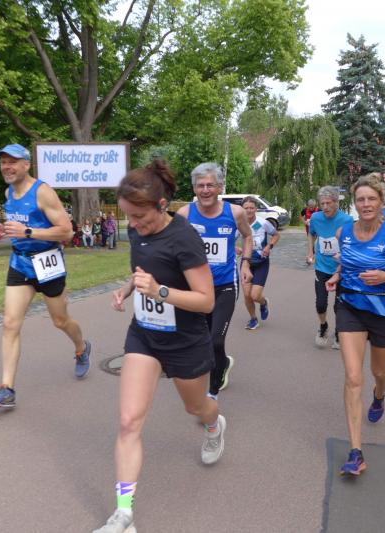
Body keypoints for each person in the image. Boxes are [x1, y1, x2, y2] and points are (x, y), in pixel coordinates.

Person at [95, 160, 224, 533]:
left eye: (139, 217)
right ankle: (124, 515)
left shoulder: (185, 238)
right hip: (145, 334)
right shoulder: (138, 231)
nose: (133, 224)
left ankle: (214, 425)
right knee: (128, 421)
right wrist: (129, 288)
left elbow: (206, 301)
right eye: (128, 217)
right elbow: (144, 271)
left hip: (185, 340)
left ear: (162, 204)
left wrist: (160, 292)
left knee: (195, 407)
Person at [324, 172, 385, 476]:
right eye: (360, 199)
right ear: (354, 203)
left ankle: (379, 395)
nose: (365, 204)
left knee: (378, 371)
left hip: (383, 312)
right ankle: (356, 452)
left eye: (371, 199)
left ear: (380, 202)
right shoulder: (343, 232)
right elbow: (347, 262)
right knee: (353, 377)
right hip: (350, 307)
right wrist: (337, 275)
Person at [0, 144, 91, 409]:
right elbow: (17, 226)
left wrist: (28, 232)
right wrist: (3, 230)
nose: (7, 167)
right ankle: (7, 389)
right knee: (10, 323)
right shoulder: (8, 192)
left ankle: (81, 347)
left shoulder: (43, 192)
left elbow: (66, 231)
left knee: (60, 321)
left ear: (26, 164)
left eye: (12, 162)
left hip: (47, 263)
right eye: (3, 162)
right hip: (20, 263)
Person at [178, 162, 253, 397]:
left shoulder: (235, 213)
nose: (205, 190)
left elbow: (247, 236)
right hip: (196, 289)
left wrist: (246, 263)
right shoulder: (184, 214)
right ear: (194, 188)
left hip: (225, 286)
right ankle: (222, 363)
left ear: (220, 187)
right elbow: (173, 245)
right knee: (201, 339)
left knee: (216, 341)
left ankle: (213, 389)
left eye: (210, 185)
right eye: (200, 185)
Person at [306, 185, 353, 349]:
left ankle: (339, 331)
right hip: (321, 267)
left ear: (336, 202)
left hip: (341, 269)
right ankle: (323, 326)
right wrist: (310, 251)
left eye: (328, 203)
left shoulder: (347, 220)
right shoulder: (316, 218)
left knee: (339, 305)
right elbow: (311, 234)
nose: (325, 207)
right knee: (320, 303)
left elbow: (351, 242)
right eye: (322, 203)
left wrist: (345, 257)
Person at [241, 196, 281, 330]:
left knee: (255, 295)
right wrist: (236, 248)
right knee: (247, 295)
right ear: (242, 209)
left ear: (256, 209)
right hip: (246, 263)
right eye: (246, 208)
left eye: (251, 208)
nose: (249, 210)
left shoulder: (263, 223)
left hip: (261, 262)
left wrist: (269, 246)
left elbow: (276, 235)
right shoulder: (240, 224)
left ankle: (263, 303)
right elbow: (229, 240)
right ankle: (253, 319)